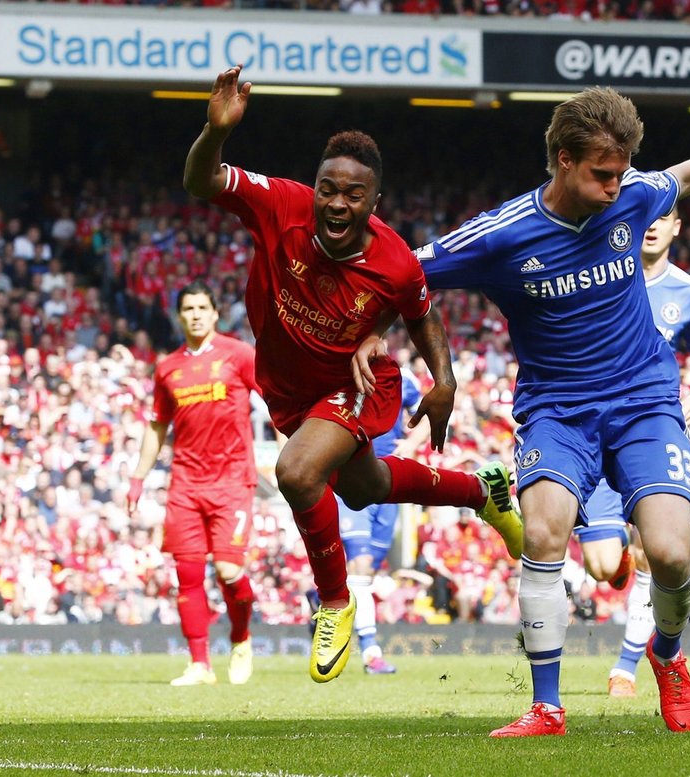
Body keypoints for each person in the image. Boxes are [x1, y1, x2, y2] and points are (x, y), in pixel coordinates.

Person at [356, 88, 690, 735]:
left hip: (644, 400)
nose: (618, 188)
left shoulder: (635, 195)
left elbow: (683, 177)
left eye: (621, 172)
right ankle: (547, 705)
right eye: (602, 174)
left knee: (669, 552)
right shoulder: (503, 234)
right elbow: (409, 273)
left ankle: (666, 654)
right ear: (563, 160)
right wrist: (377, 330)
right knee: (543, 534)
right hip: (557, 410)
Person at [182, 65, 522, 685]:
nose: (336, 202)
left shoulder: (394, 261)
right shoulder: (279, 204)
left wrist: (443, 381)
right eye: (327, 188)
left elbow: (424, 317)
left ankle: (335, 603)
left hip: (352, 386)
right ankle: (483, 490)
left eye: (353, 194)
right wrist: (215, 133)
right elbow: (200, 181)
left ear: (373, 203)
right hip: (287, 390)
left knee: (297, 471)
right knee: (363, 487)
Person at [572, 206, 690, 698]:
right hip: (597, 431)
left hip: (652, 431)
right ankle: (614, 557)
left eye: (667, 216)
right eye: (648, 216)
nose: (655, 224)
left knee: (657, 554)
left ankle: (631, 665)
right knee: (600, 566)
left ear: (678, 226)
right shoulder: (597, 276)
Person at [127, 280, 259, 687]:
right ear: (179, 315)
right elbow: (157, 426)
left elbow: (276, 400)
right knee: (186, 576)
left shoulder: (239, 355)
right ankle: (199, 664)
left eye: (204, 307)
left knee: (228, 569)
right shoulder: (168, 367)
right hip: (184, 484)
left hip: (232, 480)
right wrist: (137, 478)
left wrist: (293, 454)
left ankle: (240, 637)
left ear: (215, 313)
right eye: (189, 309)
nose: (197, 314)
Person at [332, 367, 423, 675]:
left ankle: (322, 602)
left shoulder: (401, 376)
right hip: (351, 478)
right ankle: (371, 652)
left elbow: (426, 412)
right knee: (361, 564)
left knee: (367, 572)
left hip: (388, 482)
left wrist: (411, 445)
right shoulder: (340, 369)